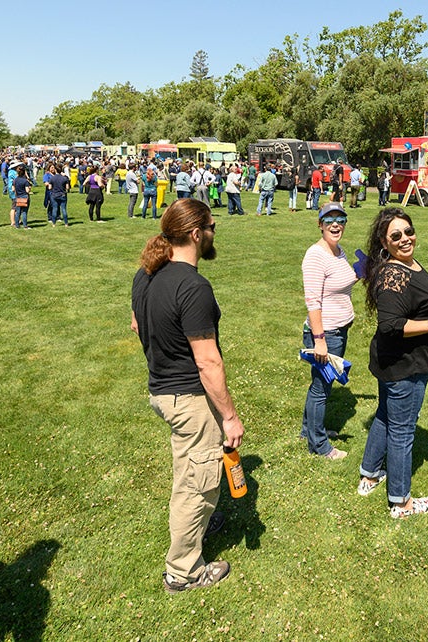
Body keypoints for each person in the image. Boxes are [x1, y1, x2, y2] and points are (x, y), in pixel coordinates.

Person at [131, 199, 244, 593]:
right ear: (196, 234)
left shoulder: (146, 274)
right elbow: (208, 362)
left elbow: (137, 325)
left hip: (162, 390)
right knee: (195, 486)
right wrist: (229, 416)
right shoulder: (193, 287)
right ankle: (183, 572)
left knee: (190, 471)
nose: (214, 233)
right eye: (212, 227)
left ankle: (201, 525)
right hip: (189, 399)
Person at [359, 208, 428, 519]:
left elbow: (415, 301)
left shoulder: (407, 263)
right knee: (402, 431)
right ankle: (400, 502)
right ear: (385, 243)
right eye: (396, 236)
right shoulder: (393, 274)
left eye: (408, 231)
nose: (405, 239)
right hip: (404, 365)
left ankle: (370, 475)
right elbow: (391, 324)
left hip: (399, 361)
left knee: (386, 416)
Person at [300, 202, 358, 460]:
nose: (336, 225)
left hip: (338, 330)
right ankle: (319, 445)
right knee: (321, 389)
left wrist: (360, 273)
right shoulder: (316, 256)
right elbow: (313, 302)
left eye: (341, 220)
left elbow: (338, 283)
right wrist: (319, 339)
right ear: (320, 224)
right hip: (326, 333)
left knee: (320, 384)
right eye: (329, 220)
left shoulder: (338, 251)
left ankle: (308, 430)